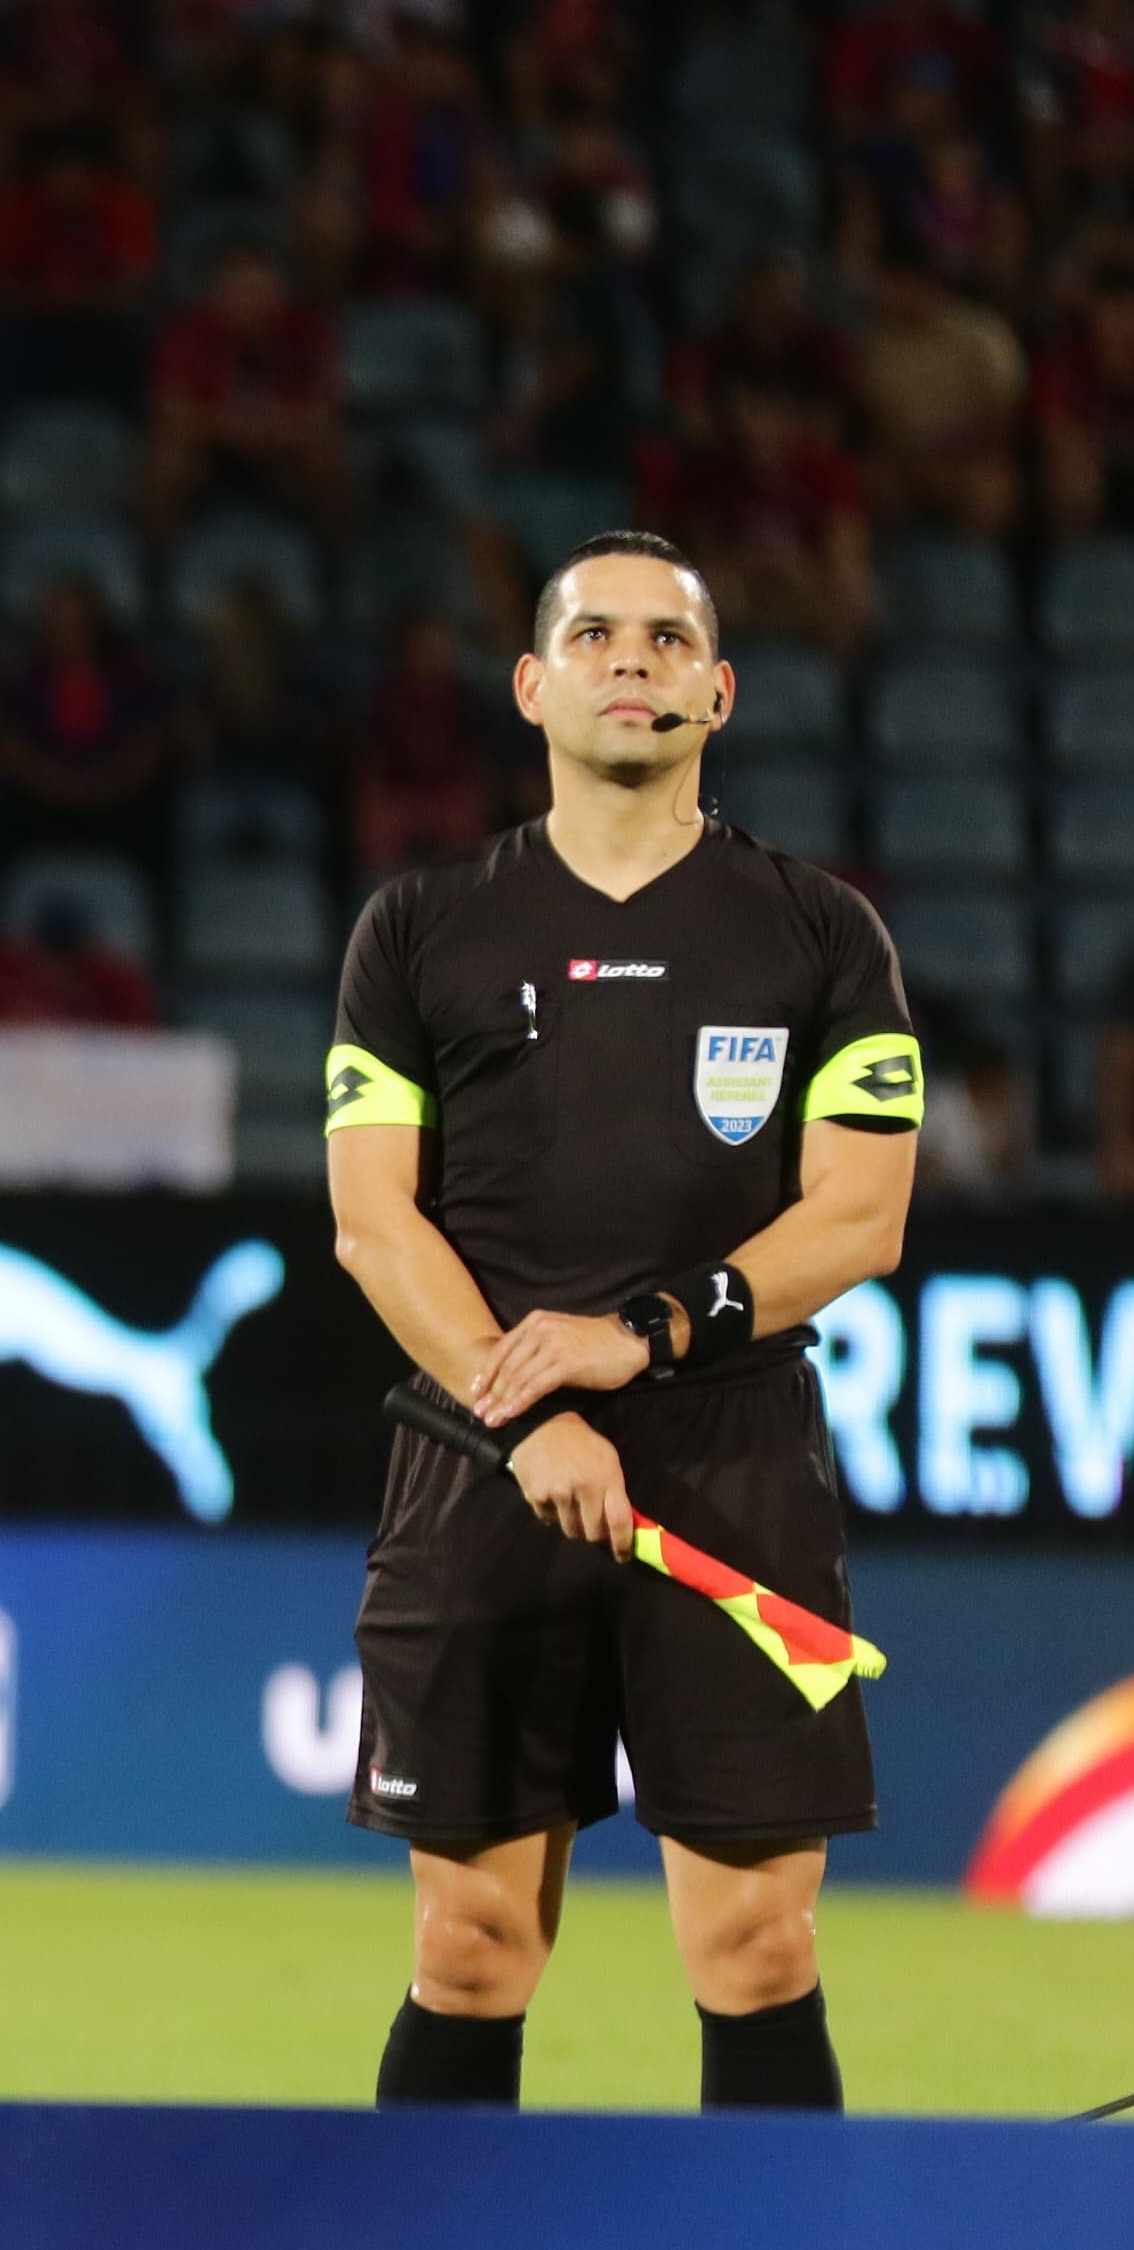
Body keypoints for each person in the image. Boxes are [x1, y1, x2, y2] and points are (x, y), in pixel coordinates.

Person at [324, 531, 923, 2116]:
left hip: (728, 1461)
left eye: (668, 640)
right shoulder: (416, 928)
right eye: (594, 634)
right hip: (482, 1453)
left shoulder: (819, 933)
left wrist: (641, 1337)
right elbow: (370, 1220)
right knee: (467, 1948)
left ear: (717, 691)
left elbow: (859, 1219)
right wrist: (523, 1408)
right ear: (532, 685)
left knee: (753, 1946)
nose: (632, 660)